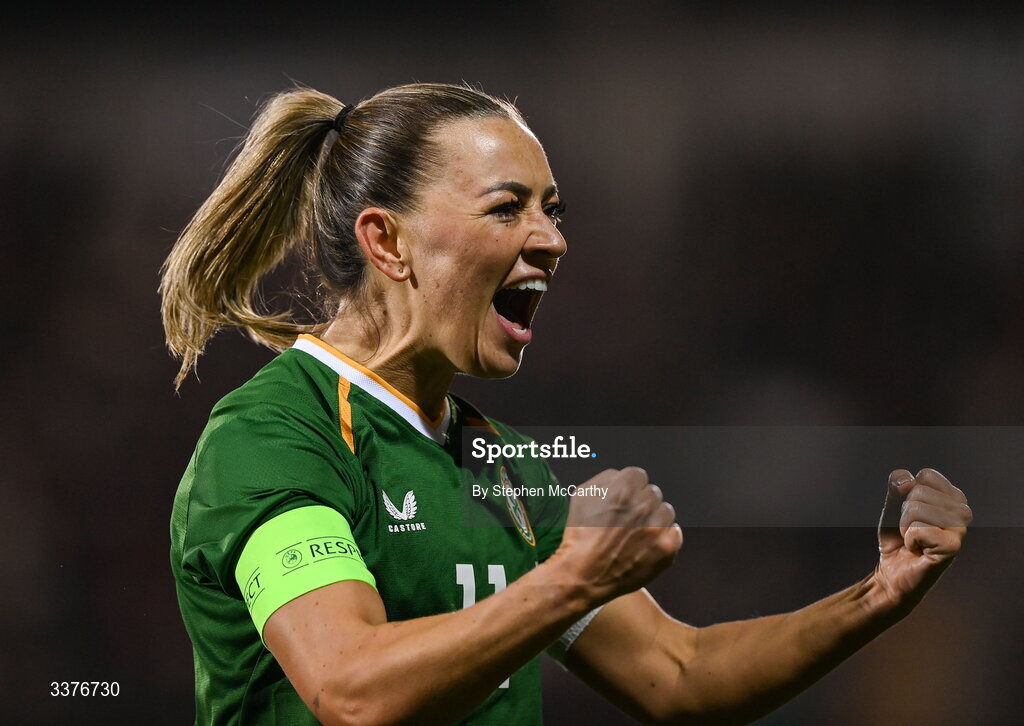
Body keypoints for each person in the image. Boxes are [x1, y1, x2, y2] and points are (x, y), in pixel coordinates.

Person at [162, 82, 972, 726]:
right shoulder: (275, 435)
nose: (552, 239)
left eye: (552, 209)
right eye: (508, 207)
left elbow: (679, 676)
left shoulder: (499, 467)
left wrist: (879, 594)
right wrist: (568, 584)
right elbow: (350, 692)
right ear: (387, 241)